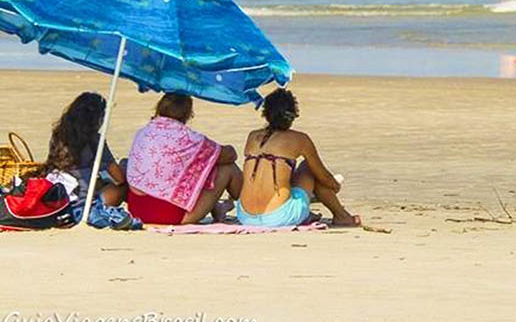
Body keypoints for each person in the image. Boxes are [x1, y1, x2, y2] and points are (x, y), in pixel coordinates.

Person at [237, 89, 360, 228]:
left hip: (246, 216)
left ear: (266, 114)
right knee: (309, 167)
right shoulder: (300, 139)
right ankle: (342, 216)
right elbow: (323, 176)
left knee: (282, 172)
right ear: (293, 114)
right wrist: (335, 186)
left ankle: (309, 211)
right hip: (278, 217)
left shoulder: (252, 136)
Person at [125, 93, 242, 225]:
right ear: (188, 114)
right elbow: (230, 155)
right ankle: (249, 211)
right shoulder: (188, 138)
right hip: (170, 215)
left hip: (137, 211)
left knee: (203, 167)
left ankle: (219, 208)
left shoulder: (143, 132)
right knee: (227, 168)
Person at [43, 92, 137, 229]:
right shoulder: (95, 139)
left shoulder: (58, 135)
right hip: (85, 200)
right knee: (124, 184)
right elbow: (118, 176)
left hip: (60, 198)